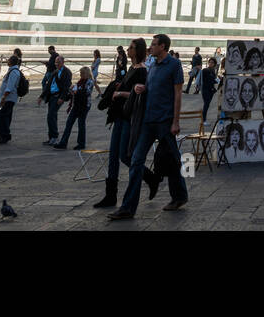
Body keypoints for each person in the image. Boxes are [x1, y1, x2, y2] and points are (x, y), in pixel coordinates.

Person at [112, 33, 188, 219]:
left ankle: (179, 196)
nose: (150, 48)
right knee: (136, 161)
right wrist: (142, 88)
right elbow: (150, 87)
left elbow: (178, 94)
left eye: (154, 45)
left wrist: (175, 121)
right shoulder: (152, 65)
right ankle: (128, 208)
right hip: (147, 121)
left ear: (163, 47)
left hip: (164, 121)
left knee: (174, 160)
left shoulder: (174, 65)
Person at [95, 38, 155, 210]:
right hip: (118, 117)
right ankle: (110, 195)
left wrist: (121, 93)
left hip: (129, 118)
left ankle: (150, 177)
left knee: (124, 156)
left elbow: (140, 95)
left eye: (131, 48)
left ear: (138, 51)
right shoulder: (131, 68)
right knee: (113, 157)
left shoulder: (143, 71)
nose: (128, 50)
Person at [54, 66, 94, 150]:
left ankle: (81, 143)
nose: (80, 75)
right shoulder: (80, 81)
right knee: (69, 123)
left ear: (86, 74)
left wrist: (76, 91)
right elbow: (75, 91)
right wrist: (72, 90)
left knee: (81, 124)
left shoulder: (90, 82)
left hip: (84, 106)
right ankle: (63, 142)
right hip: (76, 105)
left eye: (81, 73)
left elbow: (87, 92)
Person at [40, 54, 72, 144]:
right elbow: (49, 85)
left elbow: (66, 86)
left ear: (63, 62)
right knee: (51, 116)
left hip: (58, 96)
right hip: (52, 96)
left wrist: (62, 97)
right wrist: (42, 96)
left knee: (51, 115)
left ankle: (54, 137)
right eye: (55, 62)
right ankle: (52, 137)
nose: (56, 64)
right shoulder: (55, 71)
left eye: (58, 62)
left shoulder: (67, 72)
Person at [0, 56, 22, 144]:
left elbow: (10, 86)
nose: (7, 61)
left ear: (11, 62)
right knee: (6, 116)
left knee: (1, 116)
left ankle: (5, 135)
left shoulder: (13, 72)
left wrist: (4, 97)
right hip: (9, 98)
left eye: (8, 60)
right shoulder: (13, 71)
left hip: (9, 98)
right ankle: (3, 135)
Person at [199, 57, 219, 123]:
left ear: (214, 64)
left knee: (207, 105)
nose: (210, 64)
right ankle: (203, 120)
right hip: (205, 90)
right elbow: (209, 80)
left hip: (210, 90)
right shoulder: (205, 70)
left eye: (212, 63)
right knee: (206, 104)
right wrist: (216, 80)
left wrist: (217, 80)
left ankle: (204, 119)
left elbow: (213, 80)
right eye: (210, 62)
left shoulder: (213, 71)